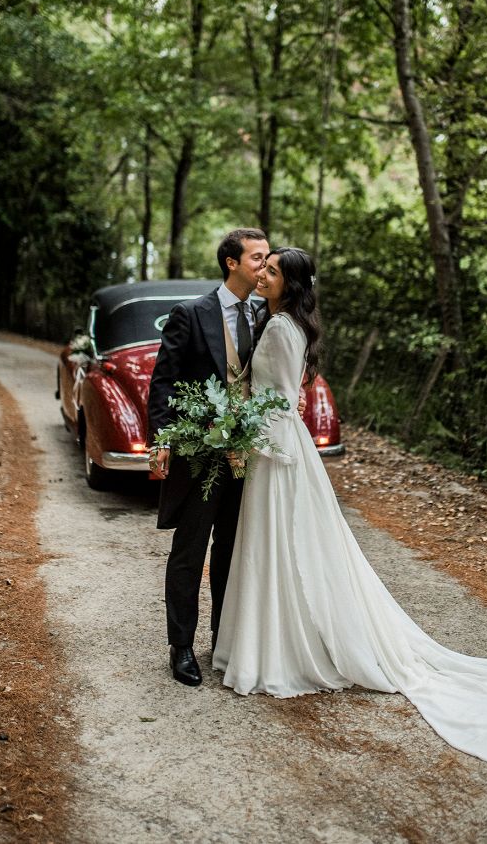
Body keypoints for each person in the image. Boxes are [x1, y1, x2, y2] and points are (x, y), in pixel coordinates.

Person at [213, 246, 487, 772]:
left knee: (283, 544)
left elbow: (281, 402)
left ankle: (281, 651)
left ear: (292, 282)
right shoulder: (280, 319)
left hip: (277, 448)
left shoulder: (284, 329)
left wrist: (243, 434)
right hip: (278, 447)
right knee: (280, 546)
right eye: (264, 267)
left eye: (274, 271)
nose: (265, 274)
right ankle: (274, 641)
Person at [147, 227, 269, 686]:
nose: (264, 265)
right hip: (199, 455)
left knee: (232, 552)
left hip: (247, 456)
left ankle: (222, 638)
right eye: (257, 258)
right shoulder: (191, 313)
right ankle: (180, 647)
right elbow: (164, 381)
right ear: (231, 263)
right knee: (189, 550)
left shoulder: (264, 315)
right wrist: (161, 440)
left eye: (266, 258)